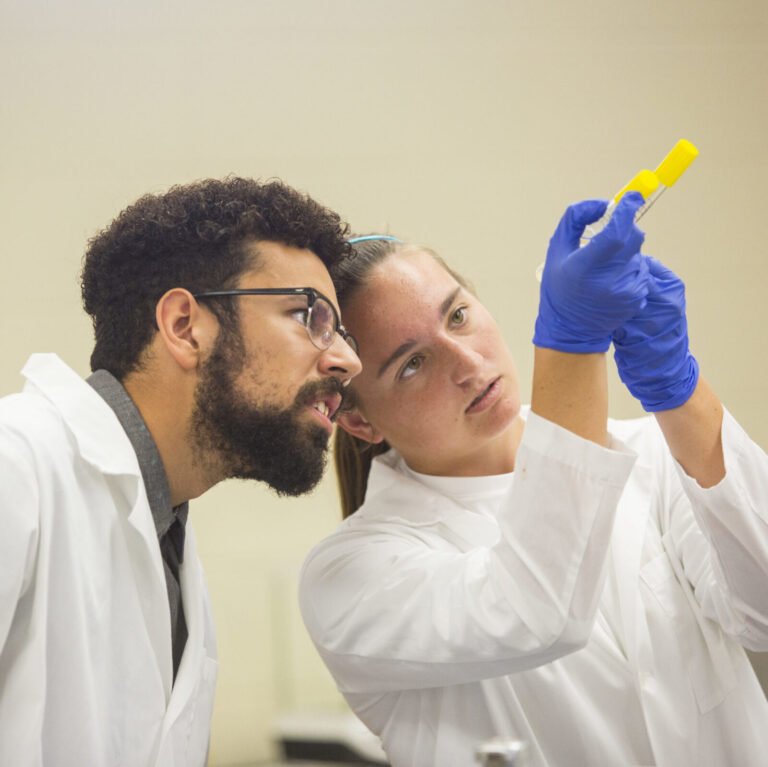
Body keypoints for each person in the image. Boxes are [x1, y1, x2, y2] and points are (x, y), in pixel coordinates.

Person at [299, 197, 768, 767]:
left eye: (458, 316)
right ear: (358, 420)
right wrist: (572, 345)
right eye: (412, 364)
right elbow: (538, 610)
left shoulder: (650, 454)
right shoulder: (350, 577)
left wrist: (678, 388)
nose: (468, 364)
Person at [0, 177, 362, 767]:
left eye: (340, 330)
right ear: (185, 325)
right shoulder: (14, 466)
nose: (348, 359)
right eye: (307, 315)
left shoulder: (169, 538)